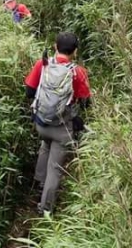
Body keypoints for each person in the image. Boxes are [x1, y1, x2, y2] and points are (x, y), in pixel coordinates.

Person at [24, 31, 92, 216]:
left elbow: (29, 91)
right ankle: (45, 209)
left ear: (55, 47)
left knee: (45, 145)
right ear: (75, 52)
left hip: (41, 124)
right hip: (61, 130)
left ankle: (39, 184)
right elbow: (86, 102)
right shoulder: (77, 72)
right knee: (55, 168)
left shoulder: (43, 64)